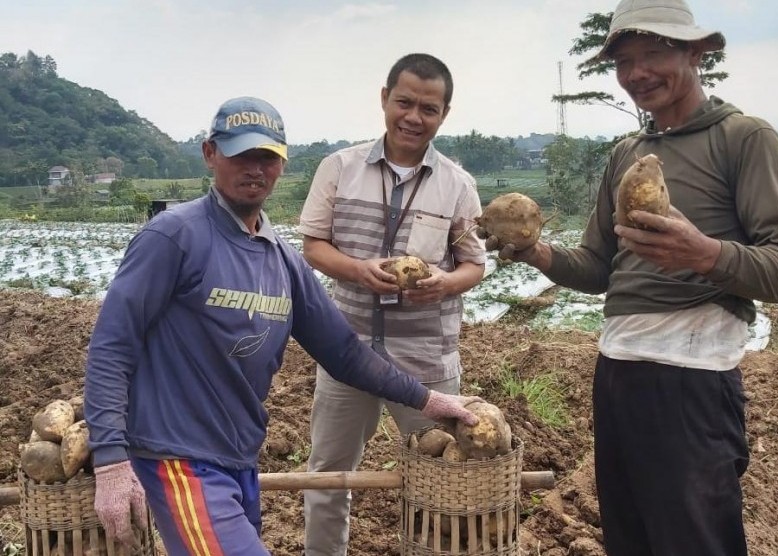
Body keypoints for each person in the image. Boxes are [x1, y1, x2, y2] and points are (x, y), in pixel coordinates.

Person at [83, 96, 482, 556]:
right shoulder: (173, 237)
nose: (255, 168)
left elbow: (344, 353)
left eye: (267, 158)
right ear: (211, 154)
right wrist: (112, 461)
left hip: (237, 459)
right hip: (179, 459)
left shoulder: (282, 261)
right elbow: (113, 345)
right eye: (242, 154)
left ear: (282, 166)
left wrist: (428, 399)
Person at [506, 1, 778, 555]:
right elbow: (600, 269)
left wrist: (704, 254)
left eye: (654, 54)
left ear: (696, 52)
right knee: (631, 537)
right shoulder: (627, 153)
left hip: (692, 378)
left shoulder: (744, 138)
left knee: (692, 541)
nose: (637, 73)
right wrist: (532, 251)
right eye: (624, 61)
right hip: (618, 369)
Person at [298, 53, 486, 555]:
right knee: (328, 478)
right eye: (404, 102)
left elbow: (475, 263)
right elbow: (313, 245)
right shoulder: (339, 168)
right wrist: (360, 270)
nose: (413, 117)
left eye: (428, 108)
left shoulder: (457, 185)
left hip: (427, 363)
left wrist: (444, 283)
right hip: (347, 354)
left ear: (444, 114)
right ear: (384, 99)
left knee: (441, 480)